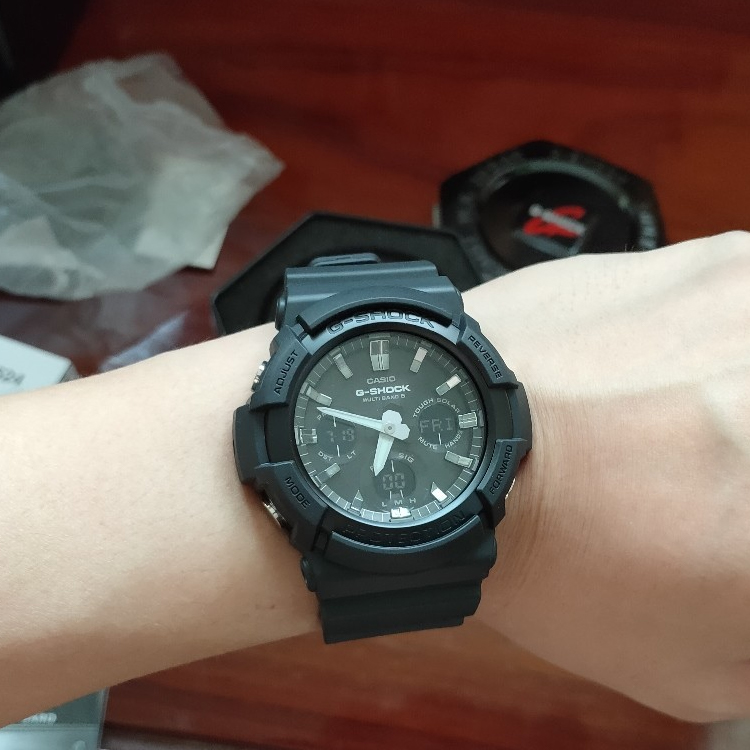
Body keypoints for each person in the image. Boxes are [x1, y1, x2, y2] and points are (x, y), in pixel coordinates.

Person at [2, 231, 749, 726]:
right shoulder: (272, 446)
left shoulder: (485, 422)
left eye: (397, 423)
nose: (392, 426)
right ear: (257, 446)